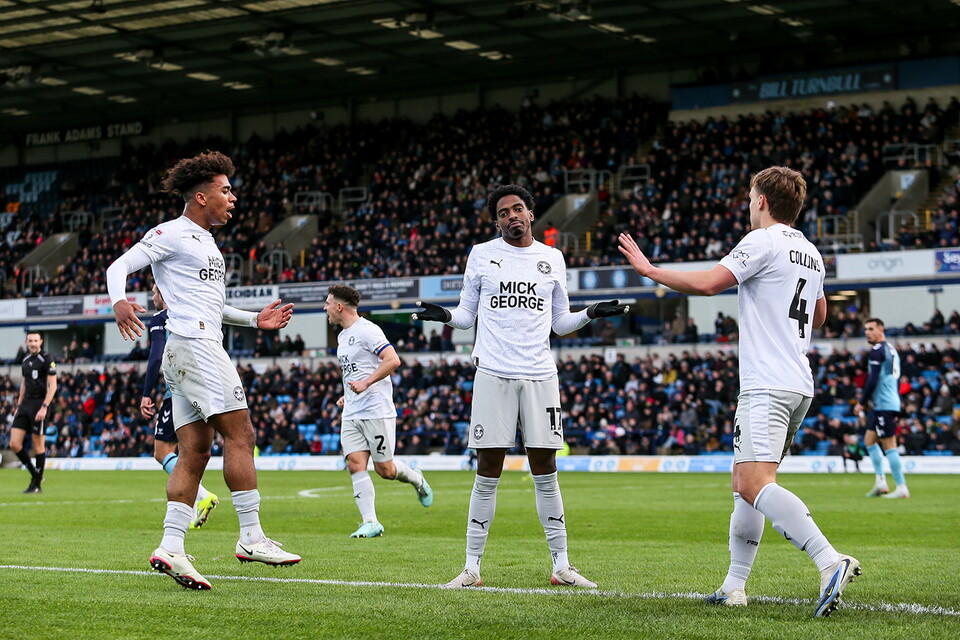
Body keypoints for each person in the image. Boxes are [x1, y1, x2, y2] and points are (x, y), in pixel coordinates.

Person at [619, 166, 860, 618]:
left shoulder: (762, 241)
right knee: (743, 485)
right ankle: (734, 585)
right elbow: (820, 314)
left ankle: (830, 561)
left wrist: (649, 270)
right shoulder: (811, 251)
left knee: (754, 483)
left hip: (766, 382)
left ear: (763, 201)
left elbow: (709, 284)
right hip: (796, 383)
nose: (749, 205)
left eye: (751, 198)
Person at [414, 184, 627, 589]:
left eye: (518, 209)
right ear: (496, 221)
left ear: (531, 214)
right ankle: (471, 568)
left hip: (540, 375)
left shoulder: (552, 258)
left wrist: (591, 313)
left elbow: (559, 323)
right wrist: (442, 314)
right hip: (493, 372)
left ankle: (562, 566)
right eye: (503, 212)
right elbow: (465, 317)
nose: (512, 216)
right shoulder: (482, 253)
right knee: (488, 470)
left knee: (546, 469)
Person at [106, 150, 300, 591]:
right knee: (242, 435)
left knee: (194, 451)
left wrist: (255, 320)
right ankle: (251, 536)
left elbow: (213, 306)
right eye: (226, 190)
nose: (233, 198)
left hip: (190, 346)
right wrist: (119, 300)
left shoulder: (208, 243)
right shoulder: (171, 233)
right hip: (195, 346)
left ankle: (171, 545)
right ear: (200, 196)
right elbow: (119, 265)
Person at [325, 284, 433, 539]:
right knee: (355, 463)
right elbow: (355, 371)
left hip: (376, 410)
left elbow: (392, 360)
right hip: (352, 411)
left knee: (385, 470)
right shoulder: (342, 336)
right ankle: (370, 522)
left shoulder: (368, 331)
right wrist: (347, 394)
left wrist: (366, 384)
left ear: (339, 306)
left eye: (328, 303)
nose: (325, 308)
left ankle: (417, 479)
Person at [140, 284, 220, 528]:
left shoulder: (160, 319)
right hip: (204, 387)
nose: (152, 296)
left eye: (154, 292)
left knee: (162, 452)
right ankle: (195, 504)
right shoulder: (192, 314)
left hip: (175, 393)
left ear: (163, 295)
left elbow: (156, 357)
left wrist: (146, 393)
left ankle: (202, 495)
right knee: (189, 451)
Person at [854, 318, 910, 499]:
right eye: (865, 329)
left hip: (885, 404)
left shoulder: (877, 351)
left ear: (881, 330)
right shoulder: (891, 349)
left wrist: (861, 401)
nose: (867, 333)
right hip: (886, 403)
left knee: (889, 444)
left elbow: (873, 378)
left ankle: (901, 487)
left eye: (871, 329)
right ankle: (881, 482)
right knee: (869, 440)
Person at [11, 331, 56, 494]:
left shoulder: (47, 359)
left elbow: (53, 385)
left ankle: (36, 484)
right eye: (30, 340)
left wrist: (45, 406)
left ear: (41, 342)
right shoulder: (25, 359)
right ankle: (36, 474)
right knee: (14, 444)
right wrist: (19, 403)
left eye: (36, 340)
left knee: (38, 445)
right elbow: (24, 383)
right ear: (26, 342)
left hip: (40, 404)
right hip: (25, 404)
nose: (33, 343)